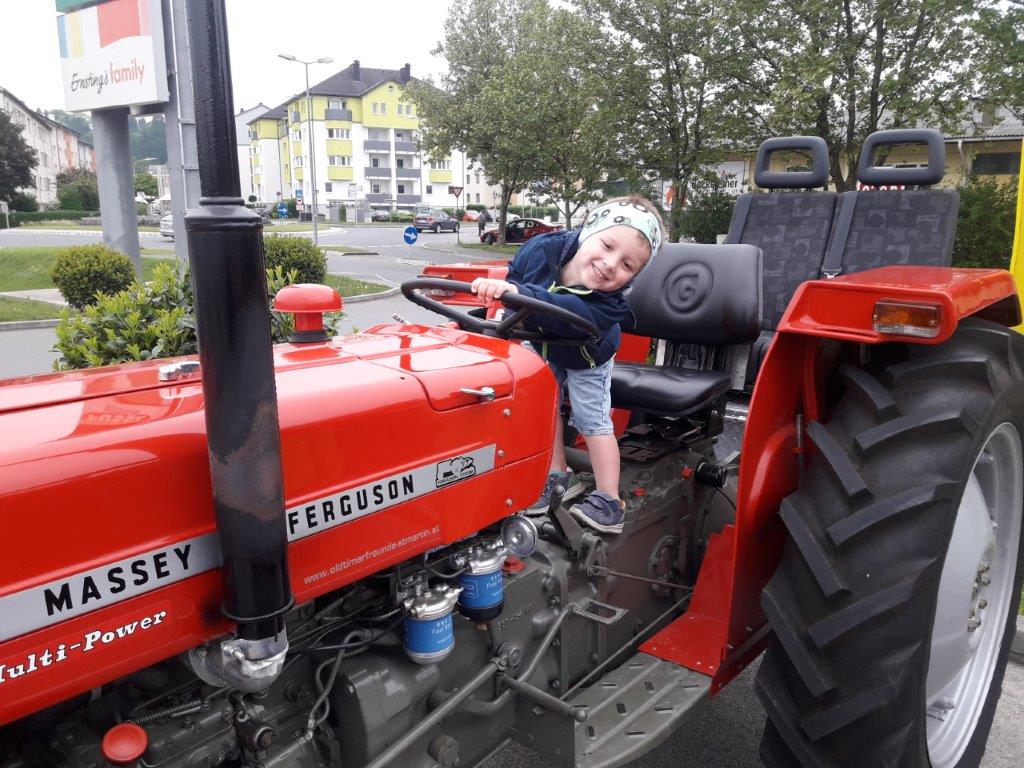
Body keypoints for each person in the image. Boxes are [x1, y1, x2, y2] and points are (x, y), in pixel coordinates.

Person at [470, 196, 664, 534]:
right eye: (607, 245)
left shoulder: (611, 307)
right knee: (543, 408)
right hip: (543, 338)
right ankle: (556, 477)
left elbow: (569, 315)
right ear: (589, 229)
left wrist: (515, 292)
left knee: (591, 420)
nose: (609, 264)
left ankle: (609, 499)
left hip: (587, 353)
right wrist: (502, 296)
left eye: (627, 266)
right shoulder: (541, 249)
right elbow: (519, 274)